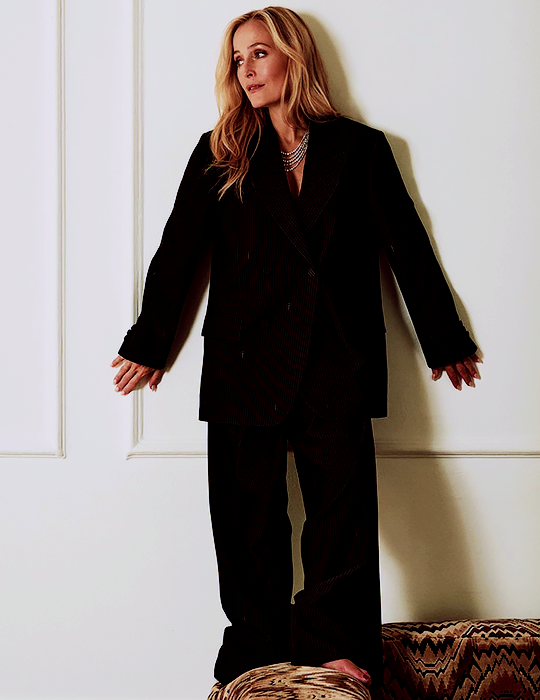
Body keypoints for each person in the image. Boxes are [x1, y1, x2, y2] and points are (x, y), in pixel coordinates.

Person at [112, 5, 481, 691]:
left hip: (337, 356)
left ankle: (333, 643)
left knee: (342, 514)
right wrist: (150, 343)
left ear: (294, 55)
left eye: (258, 53)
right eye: (237, 60)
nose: (245, 71)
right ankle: (256, 649)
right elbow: (178, 251)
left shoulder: (360, 149)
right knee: (246, 520)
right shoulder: (220, 150)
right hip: (245, 359)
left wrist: (443, 337)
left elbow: (405, 245)